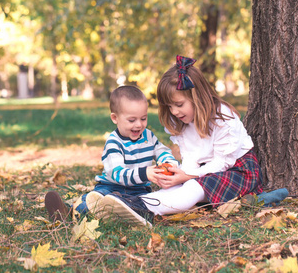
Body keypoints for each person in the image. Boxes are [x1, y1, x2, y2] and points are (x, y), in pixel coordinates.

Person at [92, 55, 264, 227]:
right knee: (174, 187)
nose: (174, 111)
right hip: (203, 170)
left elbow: (222, 162)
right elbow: (190, 158)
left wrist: (187, 177)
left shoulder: (222, 118)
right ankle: (126, 205)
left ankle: (143, 207)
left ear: (197, 98)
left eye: (179, 105)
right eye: (169, 106)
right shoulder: (182, 121)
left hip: (236, 170)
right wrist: (179, 177)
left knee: (193, 188)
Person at [44, 85, 179, 221]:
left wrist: (168, 163)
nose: (139, 125)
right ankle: (68, 212)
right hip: (112, 186)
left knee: (143, 203)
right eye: (132, 120)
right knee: (97, 200)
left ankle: (125, 214)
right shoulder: (114, 143)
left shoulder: (148, 136)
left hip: (139, 190)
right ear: (115, 118)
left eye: (143, 118)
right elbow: (117, 174)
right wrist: (144, 173)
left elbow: (162, 151)